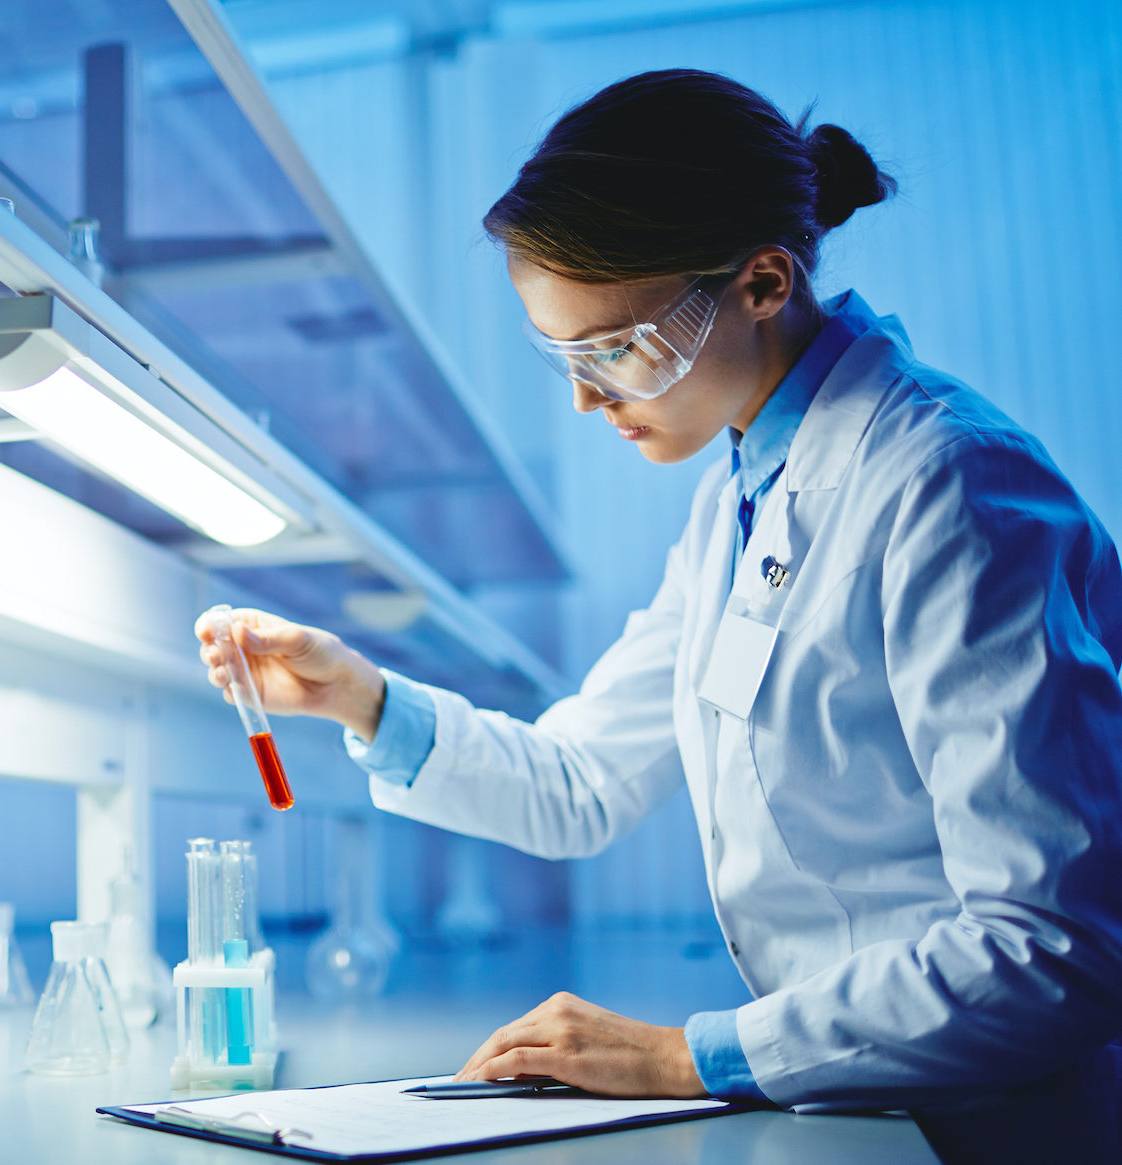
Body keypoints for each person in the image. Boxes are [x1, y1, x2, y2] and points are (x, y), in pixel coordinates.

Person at [194, 69, 1122, 1160]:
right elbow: (582, 784)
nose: (589, 398)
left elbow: (1057, 948)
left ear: (764, 282)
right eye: (565, 357)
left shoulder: (950, 486)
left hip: (998, 1125)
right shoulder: (741, 500)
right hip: (858, 1108)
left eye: (617, 348)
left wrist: (692, 1057)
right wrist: (365, 700)